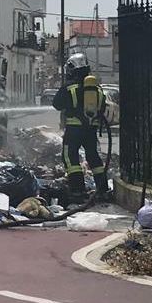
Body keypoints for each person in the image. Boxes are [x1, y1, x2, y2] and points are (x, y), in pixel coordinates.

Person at [53, 52, 110, 202]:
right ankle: (102, 189)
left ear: (73, 68)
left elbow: (56, 104)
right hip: (91, 130)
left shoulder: (69, 87)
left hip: (73, 130)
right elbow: (102, 108)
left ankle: (78, 190)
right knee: (94, 157)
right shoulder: (97, 89)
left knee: (70, 158)